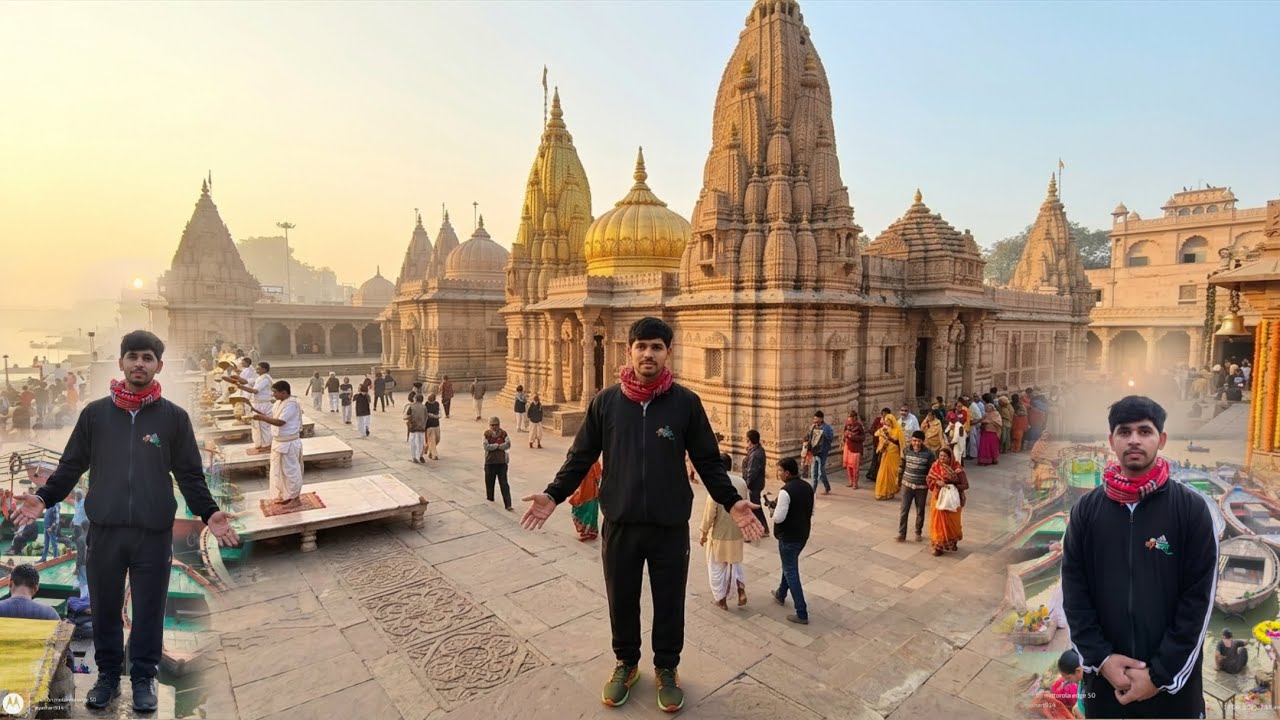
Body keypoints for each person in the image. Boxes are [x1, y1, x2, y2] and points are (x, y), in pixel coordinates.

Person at [519, 317, 762, 713]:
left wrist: (731, 499)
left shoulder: (685, 403)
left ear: (668, 352)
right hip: (620, 523)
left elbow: (707, 461)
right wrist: (553, 494)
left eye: (657, 347)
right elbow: (581, 457)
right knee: (622, 599)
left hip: (668, 526)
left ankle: (667, 668)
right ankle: (626, 664)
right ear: (629, 350)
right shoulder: (607, 403)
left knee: (669, 601)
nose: (648, 354)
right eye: (641, 346)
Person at [11, 330, 239, 713]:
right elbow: (70, 466)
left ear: (157, 366)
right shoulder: (96, 415)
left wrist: (209, 512)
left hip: (152, 533)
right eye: (132, 356)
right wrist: (44, 497)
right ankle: (107, 677)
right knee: (104, 607)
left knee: (149, 607)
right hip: (105, 532)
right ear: (121, 363)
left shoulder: (173, 419)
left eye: (147, 358)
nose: (139, 363)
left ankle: (145, 678)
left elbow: (189, 475)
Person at [1062, 395, 1216, 718]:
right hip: (1107, 691)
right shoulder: (1086, 512)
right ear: (1111, 441)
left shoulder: (1191, 511)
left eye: (1144, 431)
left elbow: (1198, 604)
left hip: (1173, 696)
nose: (1134, 439)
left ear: (1161, 440)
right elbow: (1075, 595)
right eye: (1124, 431)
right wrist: (1101, 660)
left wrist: (1158, 676)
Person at [766, 456, 812, 625]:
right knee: (789, 565)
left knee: (791, 571)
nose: (778, 474)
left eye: (779, 470)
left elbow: (779, 518)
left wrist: (774, 509)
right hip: (802, 534)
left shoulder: (786, 491)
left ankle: (801, 612)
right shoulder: (807, 487)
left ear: (787, 472)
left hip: (788, 537)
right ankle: (780, 594)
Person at [700, 453, 749, 610]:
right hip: (737, 532)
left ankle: (721, 600)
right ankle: (741, 589)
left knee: (717, 568)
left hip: (720, 535)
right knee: (735, 563)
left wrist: (703, 533)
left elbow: (709, 515)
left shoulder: (716, 487)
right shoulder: (741, 482)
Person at [250, 380, 305, 508]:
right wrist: (255, 412)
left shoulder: (292, 404)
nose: (273, 394)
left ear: (284, 392)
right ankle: (287, 496)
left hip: (289, 444)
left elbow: (280, 422)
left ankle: (295, 498)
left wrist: (261, 418)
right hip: (278, 443)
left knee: (291, 471)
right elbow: (270, 416)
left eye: (275, 392)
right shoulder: (278, 403)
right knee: (278, 471)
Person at [926, 446, 968, 556]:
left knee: (951, 523)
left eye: (945, 456)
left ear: (950, 458)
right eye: (940, 456)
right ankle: (937, 546)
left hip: (952, 500)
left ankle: (950, 542)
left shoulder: (957, 468)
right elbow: (929, 478)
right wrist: (937, 482)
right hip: (938, 498)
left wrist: (951, 485)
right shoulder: (936, 466)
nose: (942, 458)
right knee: (937, 522)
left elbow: (965, 485)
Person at [896, 430, 935, 543]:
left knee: (920, 510)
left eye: (918, 441)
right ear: (911, 440)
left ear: (922, 441)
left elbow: (932, 471)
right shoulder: (906, 450)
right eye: (914, 441)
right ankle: (901, 534)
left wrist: (930, 484)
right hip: (907, 485)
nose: (916, 443)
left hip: (921, 487)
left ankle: (918, 532)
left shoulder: (929, 454)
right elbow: (901, 466)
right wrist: (899, 481)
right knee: (904, 510)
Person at [483, 416, 512, 510]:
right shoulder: (486, 434)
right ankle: (490, 499)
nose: (494, 427)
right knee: (489, 483)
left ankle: (508, 504)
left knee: (504, 484)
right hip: (490, 462)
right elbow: (486, 446)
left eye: (496, 425)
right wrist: (498, 445)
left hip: (501, 462)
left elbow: (508, 444)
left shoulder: (503, 433)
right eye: (492, 425)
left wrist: (495, 446)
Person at [569, 460, 602, 541]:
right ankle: (590, 531)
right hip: (589, 490)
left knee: (588, 512)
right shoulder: (592, 461)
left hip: (589, 491)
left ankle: (588, 532)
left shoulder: (591, 462)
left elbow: (598, 474)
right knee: (589, 511)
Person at [743, 429, 769, 535]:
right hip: (757, 483)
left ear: (750, 440)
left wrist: (747, 484)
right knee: (754, 506)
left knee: (756, 507)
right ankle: (759, 528)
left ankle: (763, 528)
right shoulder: (757, 450)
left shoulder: (756, 454)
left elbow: (751, 471)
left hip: (754, 484)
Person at [802, 411, 833, 495]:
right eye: (814, 418)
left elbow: (830, 438)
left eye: (816, 418)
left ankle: (827, 487)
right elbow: (809, 437)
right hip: (813, 452)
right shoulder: (812, 427)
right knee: (813, 472)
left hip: (822, 452)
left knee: (821, 472)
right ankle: (813, 491)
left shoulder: (826, 428)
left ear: (821, 419)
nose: (814, 420)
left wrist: (823, 434)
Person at [1049, 650, 1086, 719]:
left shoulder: (1090, 688)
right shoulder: (1082, 680)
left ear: (1078, 671)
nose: (1067, 681)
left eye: (1068, 678)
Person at [874, 413, 903, 500]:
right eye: (885, 421)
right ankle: (882, 492)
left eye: (888, 421)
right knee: (883, 473)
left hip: (894, 454)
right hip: (886, 453)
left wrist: (889, 437)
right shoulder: (884, 429)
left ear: (892, 421)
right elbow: (876, 434)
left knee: (893, 473)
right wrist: (883, 434)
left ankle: (891, 491)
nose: (886, 422)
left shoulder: (898, 430)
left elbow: (901, 443)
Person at [405, 393, 428, 463]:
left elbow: (407, 415)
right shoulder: (424, 407)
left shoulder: (412, 406)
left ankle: (414, 457)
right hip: (421, 427)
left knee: (413, 442)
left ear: (416, 399)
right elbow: (426, 417)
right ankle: (420, 456)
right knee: (421, 442)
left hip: (413, 427)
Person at [423, 392, 442, 460]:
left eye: (431, 398)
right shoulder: (426, 404)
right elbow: (424, 414)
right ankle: (434, 455)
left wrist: (432, 415)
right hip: (429, 425)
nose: (430, 399)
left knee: (437, 439)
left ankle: (427, 448)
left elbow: (440, 414)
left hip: (436, 424)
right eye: (429, 398)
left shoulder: (437, 404)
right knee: (432, 439)